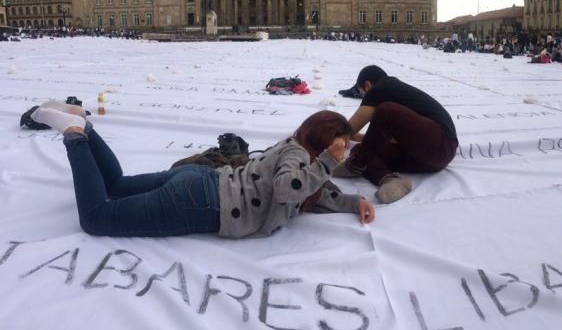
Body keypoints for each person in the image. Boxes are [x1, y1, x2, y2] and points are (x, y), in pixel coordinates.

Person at [27, 104, 376, 238]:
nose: (343, 153)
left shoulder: (294, 146)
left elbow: (315, 189)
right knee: (96, 218)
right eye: (342, 145)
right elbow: (290, 188)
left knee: (116, 185)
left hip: (200, 180)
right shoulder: (300, 159)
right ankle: (74, 135)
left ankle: (84, 126)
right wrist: (328, 161)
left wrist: (353, 201)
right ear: (327, 143)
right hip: (202, 203)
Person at [334, 65, 458, 204]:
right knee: (362, 151)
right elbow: (390, 138)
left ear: (367, 85)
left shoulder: (380, 89)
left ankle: (354, 166)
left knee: (385, 111)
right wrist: (360, 138)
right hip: (430, 158)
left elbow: (350, 129)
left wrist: (323, 142)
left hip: (441, 143)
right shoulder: (396, 91)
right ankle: (389, 179)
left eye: (362, 94)